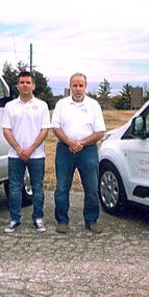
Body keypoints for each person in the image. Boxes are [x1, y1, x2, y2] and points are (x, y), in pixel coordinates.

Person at [51, 72, 106, 234]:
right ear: (70, 87)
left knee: (91, 188)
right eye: (74, 85)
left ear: (85, 87)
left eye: (81, 85)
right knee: (62, 187)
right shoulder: (61, 104)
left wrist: (81, 143)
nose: (77, 89)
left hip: (88, 151)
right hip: (65, 150)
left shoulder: (94, 105)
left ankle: (91, 221)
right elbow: (55, 127)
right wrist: (70, 142)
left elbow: (100, 131)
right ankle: (62, 221)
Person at [2, 71, 50, 233]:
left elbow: (44, 130)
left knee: (37, 188)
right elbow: (6, 130)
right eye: (22, 82)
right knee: (14, 188)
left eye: (28, 82)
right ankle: (15, 219)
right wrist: (18, 149)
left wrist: (30, 149)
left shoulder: (42, 106)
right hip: (15, 155)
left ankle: (38, 218)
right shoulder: (10, 106)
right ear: (17, 85)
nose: (25, 85)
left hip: (36, 155)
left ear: (33, 85)